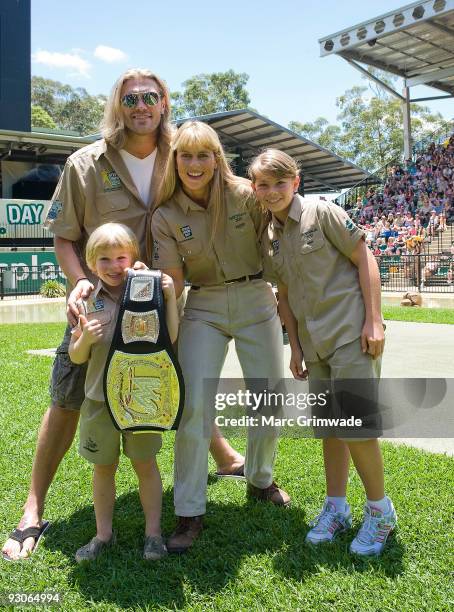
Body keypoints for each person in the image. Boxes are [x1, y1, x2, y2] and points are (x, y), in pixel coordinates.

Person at [2, 68, 242, 561]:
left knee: (179, 381)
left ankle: (221, 455)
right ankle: (32, 507)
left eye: (150, 96)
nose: (140, 106)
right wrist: (81, 283)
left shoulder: (183, 154)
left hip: (164, 298)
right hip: (101, 305)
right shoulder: (85, 162)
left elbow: (226, 193)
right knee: (67, 395)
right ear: (119, 103)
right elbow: (64, 235)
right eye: (130, 98)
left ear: (163, 101)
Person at [250, 149, 397, 557]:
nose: (272, 190)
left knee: (357, 427)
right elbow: (283, 294)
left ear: (295, 182)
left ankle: (381, 512)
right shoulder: (269, 237)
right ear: (255, 189)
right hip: (314, 345)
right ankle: (336, 507)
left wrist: (374, 319)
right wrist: (294, 346)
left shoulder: (323, 211)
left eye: (280, 182)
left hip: (351, 331)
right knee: (329, 428)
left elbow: (364, 257)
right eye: (263, 184)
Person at [151, 121, 289, 554]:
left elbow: (280, 237)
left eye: (203, 155)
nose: (195, 164)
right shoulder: (165, 215)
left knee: (269, 397)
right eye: (186, 155)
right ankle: (189, 510)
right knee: (194, 407)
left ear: (217, 158)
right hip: (203, 305)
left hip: (255, 297)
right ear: (175, 160)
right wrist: (170, 342)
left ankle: (260, 479)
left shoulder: (246, 195)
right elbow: (172, 285)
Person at [69, 223, 177, 562]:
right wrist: (84, 338)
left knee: (145, 464)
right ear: (90, 263)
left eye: (121, 257)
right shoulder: (86, 300)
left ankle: (153, 535)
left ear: (133, 258)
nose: (114, 266)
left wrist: (170, 295)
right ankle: (103, 535)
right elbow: (76, 355)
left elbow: (170, 336)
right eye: (104, 259)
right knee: (103, 467)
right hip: (100, 399)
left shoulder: (150, 289)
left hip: (142, 397)